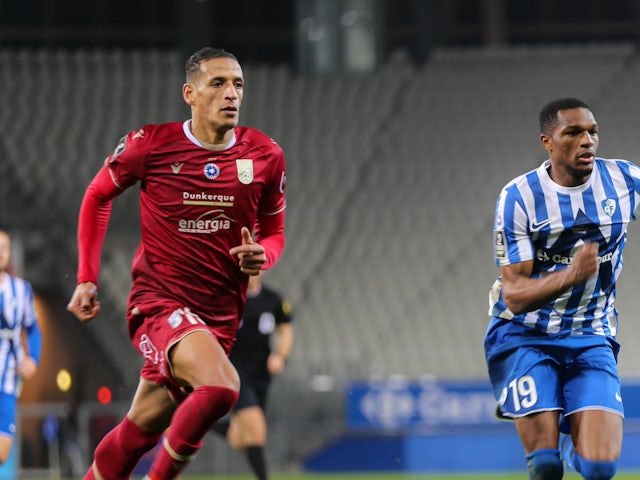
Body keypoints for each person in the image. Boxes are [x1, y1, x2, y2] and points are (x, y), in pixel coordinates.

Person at [66, 46, 287, 480]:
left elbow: (274, 233)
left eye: (238, 84)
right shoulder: (150, 145)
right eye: (218, 83)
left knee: (138, 431)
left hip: (219, 318)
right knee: (223, 386)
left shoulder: (265, 156)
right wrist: (87, 278)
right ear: (190, 93)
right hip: (158, 303)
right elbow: (96, 197)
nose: (231, 94)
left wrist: (266, 254)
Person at [484, 97, 637, 480]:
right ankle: (550, 442)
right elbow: (514, 295)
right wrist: (570, 275)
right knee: (546, 467)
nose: (587, 141)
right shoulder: (519, 198)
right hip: (525, 335)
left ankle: (570, 439)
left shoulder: (624, 180)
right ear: (547, 142)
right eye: (573, 132)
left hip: (591, 335)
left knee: (600, 468)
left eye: (592, 132)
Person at [211, 271, 293, 480]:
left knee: (240, 439)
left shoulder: (273, 299)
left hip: (261, 375)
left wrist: (280, 356)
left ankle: (204, 422)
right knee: (257, 431)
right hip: (234, 372)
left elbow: (286, 331)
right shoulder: (228, 298)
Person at [0, 230, 42, 465]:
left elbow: (33, 328)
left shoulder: (21, 290)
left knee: (2, 452)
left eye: (4, 247)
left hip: (7, 381)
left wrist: (33, 358)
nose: (0, 252)